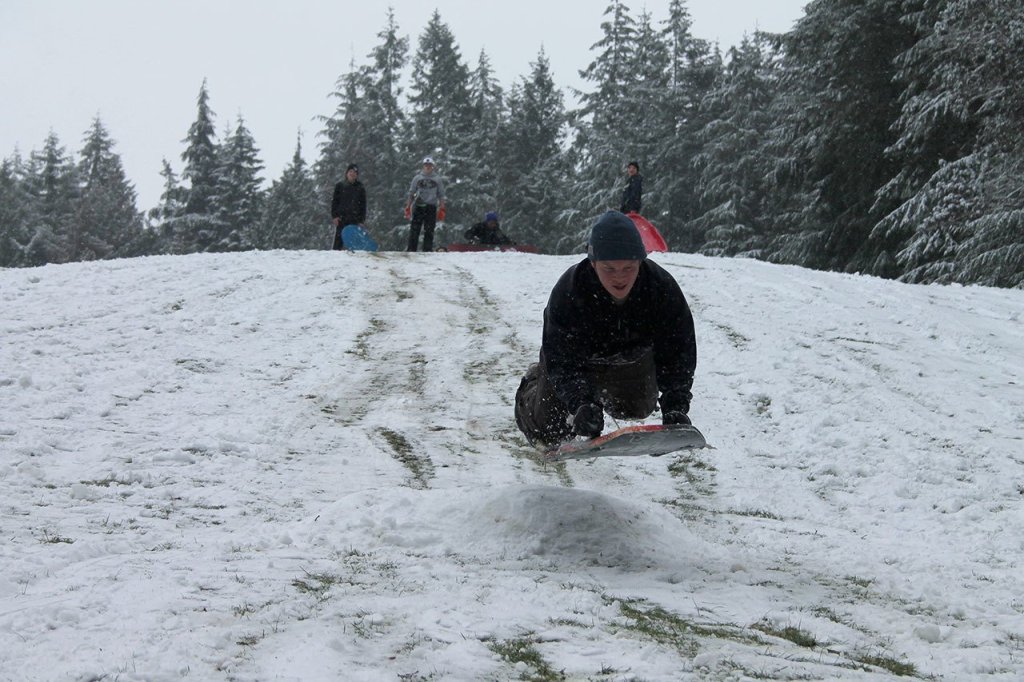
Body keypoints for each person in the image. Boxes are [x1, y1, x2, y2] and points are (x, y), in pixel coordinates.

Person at [514, 210, 696, 448]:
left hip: (628, 360)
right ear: (593, 263)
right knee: (552, 432)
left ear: (641, 262)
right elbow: (562, 358)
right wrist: (580, 403)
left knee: (638, 408)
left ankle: (601, 394)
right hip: (576, 361)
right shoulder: (569, 291)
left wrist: (675, 407)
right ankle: (534, 385)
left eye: (629, 268)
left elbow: (678, 353)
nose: (619, 278)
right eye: (609, 269)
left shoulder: (661, 289)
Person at [403, 157, 447, 252]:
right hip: (419, 206)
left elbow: (441, 194)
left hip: (431, 207)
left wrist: (442, 208)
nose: (428, 167)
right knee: (415, 229)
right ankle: (412, 249)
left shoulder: (437, 179)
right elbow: (411, 193)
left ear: (433, 167)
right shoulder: (417, 178)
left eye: (429, 165)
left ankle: (427, 249)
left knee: (429, 229)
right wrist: (408, 206)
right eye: (426, 165)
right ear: (423, 166)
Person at [330, 163, 366, 250]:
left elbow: (363, 205)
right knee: (338, 242)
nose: (352, 174)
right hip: (341, 218)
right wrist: (334, 216)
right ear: (346, 173)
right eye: (350, 171)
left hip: (355, 218)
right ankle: (334, 258)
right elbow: (335, 202)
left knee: (354, 243)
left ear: (357, 175)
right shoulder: (340, 186)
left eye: (354, 172)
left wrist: (361, 220)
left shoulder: (360, 187)